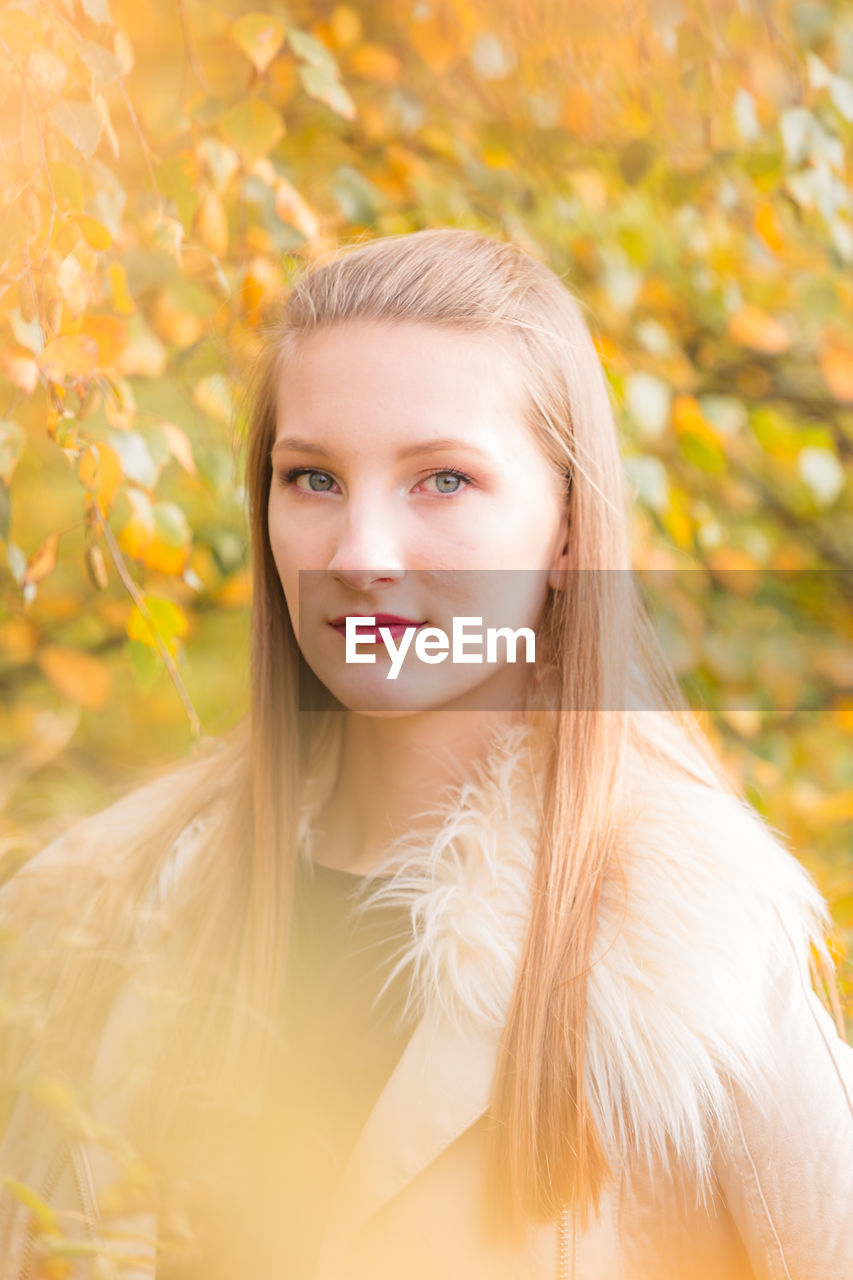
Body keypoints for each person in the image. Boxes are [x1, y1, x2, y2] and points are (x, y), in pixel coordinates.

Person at [1, 228, 851, 1280]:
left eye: (441, 480)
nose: (359, 555)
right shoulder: (90, 912)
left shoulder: (695, 960)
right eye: (311, 479)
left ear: (570, 534)